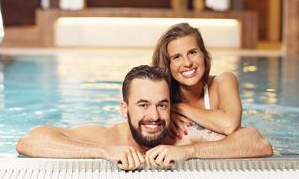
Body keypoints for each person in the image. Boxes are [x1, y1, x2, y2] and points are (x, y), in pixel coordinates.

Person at [16, 65, 273, 171]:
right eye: (142, 105)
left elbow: (257, 143)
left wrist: (191, 152)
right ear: (124, 109)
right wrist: (102, 151)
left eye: (162, 105)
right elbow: (30, 141)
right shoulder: (109, 138)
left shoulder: (183, 139)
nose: (154, 116)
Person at [152, 22, 243, 139]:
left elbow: (230, 125)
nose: (188, 63)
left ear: (203, 54)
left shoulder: (223, 82)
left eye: (192, 52)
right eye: (176, 57)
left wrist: (178, 108)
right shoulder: (161, 94)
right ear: (167, 64)